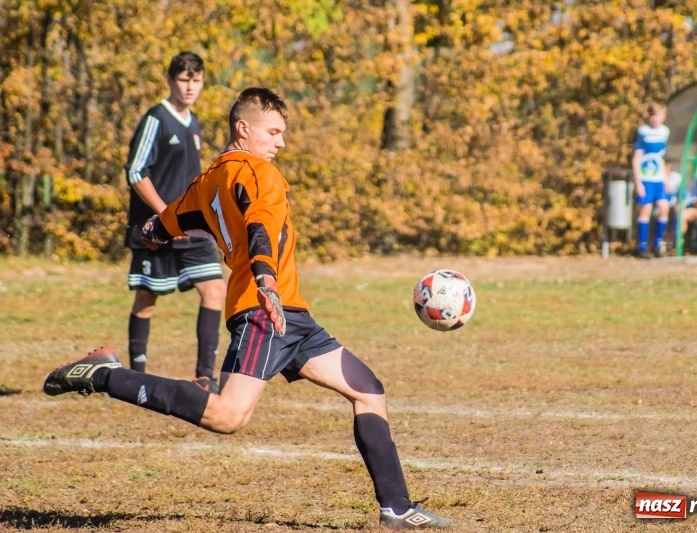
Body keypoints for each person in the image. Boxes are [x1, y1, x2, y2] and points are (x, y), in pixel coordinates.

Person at [44, 88, 453, 530]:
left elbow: (169, 221)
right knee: (227, 415)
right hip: (265, 308)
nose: (281, 142)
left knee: (368, 390)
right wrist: (266, 280)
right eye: (273, 132)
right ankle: (105, 374)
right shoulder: (259, 172)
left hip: (291, 315)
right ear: (243, 128)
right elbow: (260, 225)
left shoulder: (207, 181)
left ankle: (396, 508)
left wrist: (150, 233)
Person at [124, 51, 226, 391]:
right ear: (170, 80)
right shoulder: (156, 119)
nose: (190, 87)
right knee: (146, 300)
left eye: (197, 81)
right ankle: (136, 376)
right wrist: (164, 215)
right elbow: (136, 172)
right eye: (184, 79)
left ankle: (204, 378)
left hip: (191, 228)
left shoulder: (193, 121)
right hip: (156, 230)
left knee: (215, 290)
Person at [632, 102, 670, 258]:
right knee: (645, 210)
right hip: (645, 177)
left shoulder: (665, 132)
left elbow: (661, 157)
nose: (655, 119)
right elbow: (636, 158)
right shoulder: (643, 131)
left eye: (658, 115)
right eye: (652, 115)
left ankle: (658, 243)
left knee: (664, 208)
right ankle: (642, 247)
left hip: (658, 178)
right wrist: (638, 182)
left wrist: (666, 179)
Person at [665, 160, 697, 255]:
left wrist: (680, 204)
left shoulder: (676, 178)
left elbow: (683, 196)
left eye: (667, 166)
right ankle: (677, 246)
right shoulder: (655, 179)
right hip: (664, 209)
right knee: (680, 215)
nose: (666, 169)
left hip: (680, 207)